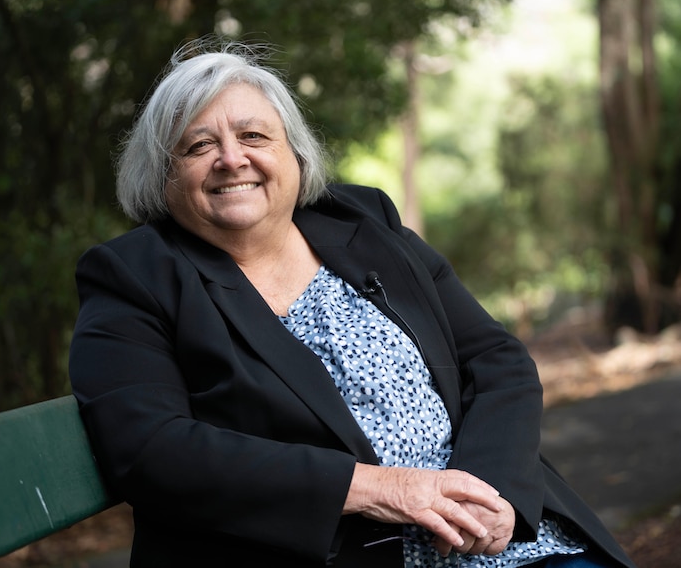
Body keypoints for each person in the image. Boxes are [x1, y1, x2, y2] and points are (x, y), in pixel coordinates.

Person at [69, 37, 636, 568]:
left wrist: (494, 489)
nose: (231, 159)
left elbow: (496, 359)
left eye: (254, 137)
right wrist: (380, 488)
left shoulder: (365, 222)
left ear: (294, 154)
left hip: (497, 537)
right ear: (163, 177)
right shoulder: (134, 275)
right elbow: (150, 449)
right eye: (199, 146)